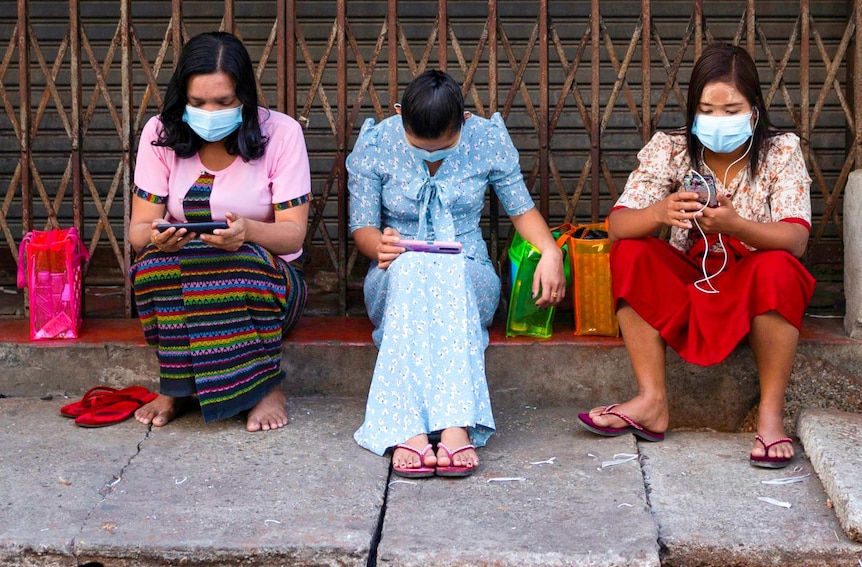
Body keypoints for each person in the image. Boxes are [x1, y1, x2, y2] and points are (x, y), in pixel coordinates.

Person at [577, 43, 815, 469]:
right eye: (707, 109)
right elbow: (617, 227)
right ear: (692, 109)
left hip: (752, 280)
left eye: (731, 110)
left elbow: (796, 239)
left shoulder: (781, 151)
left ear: (755, 109)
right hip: (692, 275)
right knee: (631, 252)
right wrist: (659, 212)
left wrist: (737, 226)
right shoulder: (669, 147)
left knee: (779, 266)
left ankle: (770, 415)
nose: (718, 121)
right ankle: (651, 401)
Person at [348, 70, 566, 477]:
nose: (432, 154)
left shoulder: (486, 140)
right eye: (418, 145)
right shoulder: (377, 143)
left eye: (444, 146)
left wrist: (551, 252)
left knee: (447, 270)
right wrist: (379, 245)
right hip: (394, 275)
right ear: (399, 116)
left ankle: (452, 427)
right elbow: (361, 227)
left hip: (469, 276)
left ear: (464, 121)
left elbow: (521, 210)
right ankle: (409, 428)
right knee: (413, 267)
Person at [128, 32, 311, 432]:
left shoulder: (281, 134)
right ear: (183, 98)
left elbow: (293, 236)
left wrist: (248, 232)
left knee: (237, 263)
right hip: (187, 262)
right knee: (152, 267)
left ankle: (265, 387)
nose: (210, 112)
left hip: (268, 278)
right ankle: (176, 385)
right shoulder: (160, 134)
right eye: (198, 103)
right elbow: (138, 233)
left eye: (224, 102)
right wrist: (159, 236)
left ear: (244, 96)